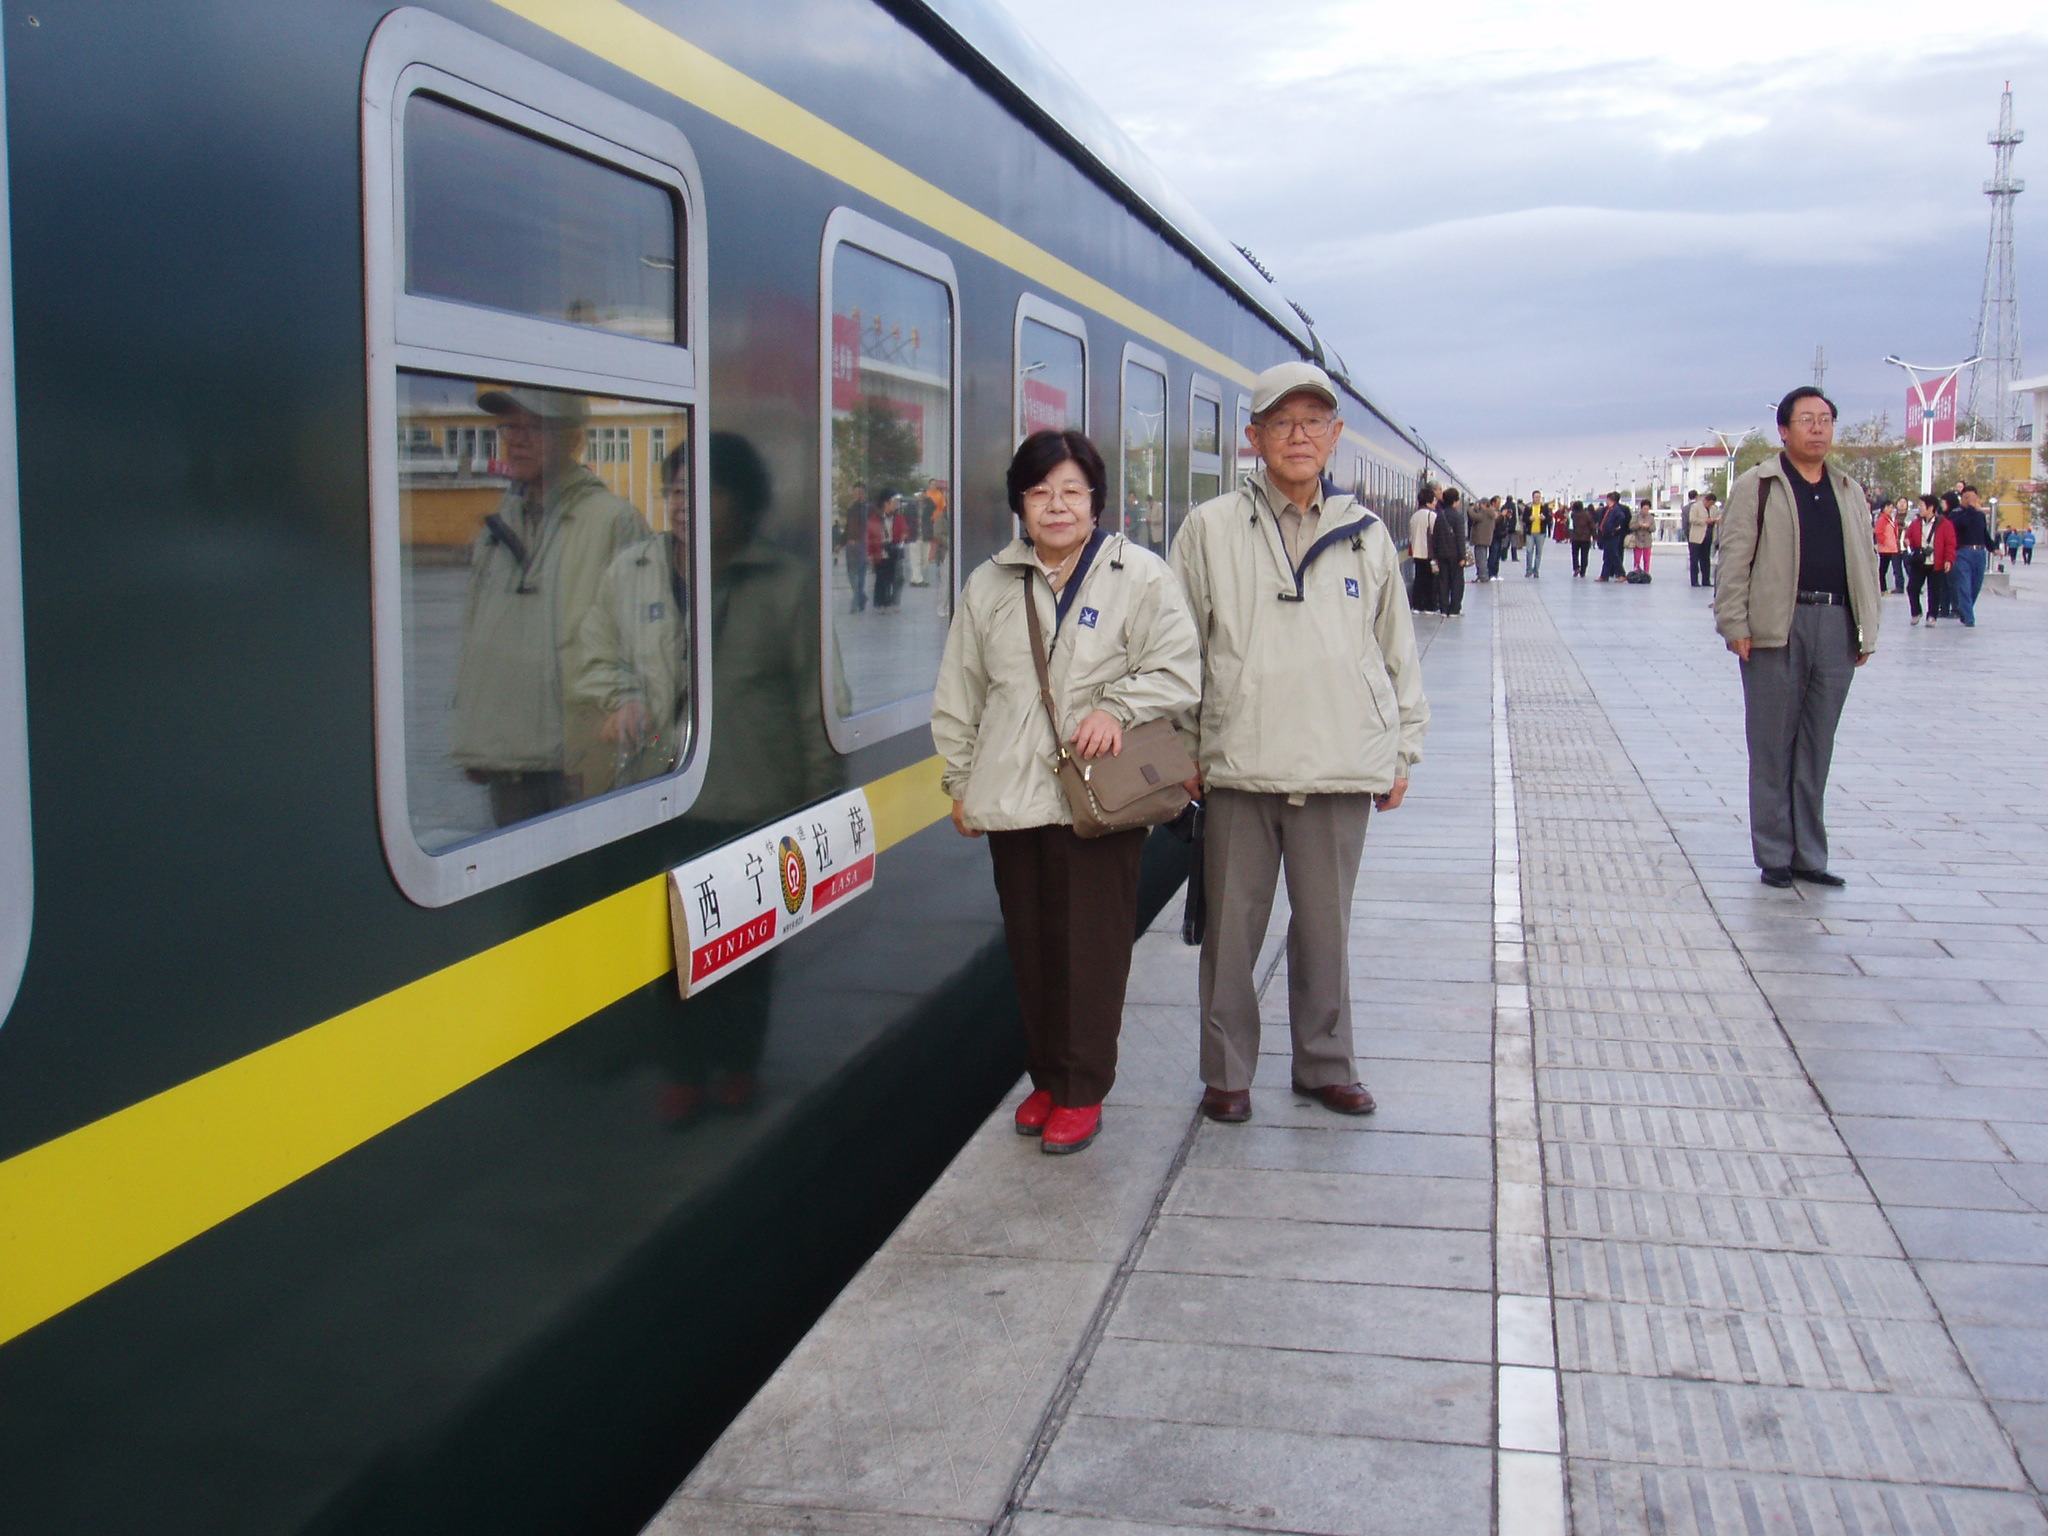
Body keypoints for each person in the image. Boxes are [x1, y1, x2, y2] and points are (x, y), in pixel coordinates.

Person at [1170, 361, 1428, 1124]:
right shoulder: (1209, 530)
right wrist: (1184, 744)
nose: (1299, 436)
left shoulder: (1367, 536)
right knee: (1231, 934)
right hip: (1238, 766)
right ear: (1253, 438)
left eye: (1315, 422)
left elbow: (1396, 650)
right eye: (1282, 423)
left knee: (1326, 930)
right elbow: (1178, 646)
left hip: (1340, 762)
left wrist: (1402, 748)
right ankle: (1226, 1073)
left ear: (1336, 437)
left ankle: (1324, 1064)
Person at [934, 429, 1200, 1155]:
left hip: (1099, 801)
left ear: (1095, 501)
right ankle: (1047, 1077)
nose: (1057, 506)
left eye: (1071, 492)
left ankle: (1083, 1089)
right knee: (1033, 946)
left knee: (1091, 948)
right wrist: (959, 781)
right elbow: (960, 693)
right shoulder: (989, 584)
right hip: (1013, 797)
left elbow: (1179, 671)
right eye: (1041, 491)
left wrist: (1116, 708)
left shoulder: (1138, 576)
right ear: (1021, 502)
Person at [451, 386, 649, 827]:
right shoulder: (498, 527)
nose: (515, 440)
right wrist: (475, 736)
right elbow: (478, 638)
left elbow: (647, 644)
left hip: (578, 765)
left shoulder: (613, 521)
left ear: (574, 439)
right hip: (509, 764)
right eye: (508, 428)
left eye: (532, 428)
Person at [1714, 385, 1880, 888]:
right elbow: (1735, 558)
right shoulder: (1758, 484)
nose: (1817, 429)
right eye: (1806, 420)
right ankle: (1775, 855)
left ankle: (1810, 854)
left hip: (1835, 625)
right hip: (1775, 628)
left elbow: (1867, 561)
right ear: (1783, 431)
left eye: (1825, 420)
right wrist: (1734, 624)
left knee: (1816, 745)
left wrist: (1866, 628)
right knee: (1771, 745)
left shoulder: (1848, 489)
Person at [1948, 484, 1995, 627]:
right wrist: (1969, 510)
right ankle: (1969, 618)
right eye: (1967, 497)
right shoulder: (1956, 514)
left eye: (1973, 497)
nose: (1970, 500)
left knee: (1976, 585)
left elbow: (1984, 534)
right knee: (1964, 585)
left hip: (1979, 553)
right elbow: (1958, 526)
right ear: (1962, 498)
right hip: (1962, 552)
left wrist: (1993, 547)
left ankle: (1965, 609)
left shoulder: (1980, 515)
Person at [1431, 486, 1468, 616]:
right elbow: (1460, 538)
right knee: (1457, 581)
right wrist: (1463, 556)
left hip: (1441, 554)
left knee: (1443, 581)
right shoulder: (1458, 517)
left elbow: (1434, 536)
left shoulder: (1440, 516)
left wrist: (1435, 554)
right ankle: (1454, 609)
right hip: (1455, 555)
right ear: (1455, 501)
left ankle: (1444, 608)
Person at [1903, 495, 1936, 624]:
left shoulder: (1942, 524)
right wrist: (1908, 541)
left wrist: (1948, 560)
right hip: (1919, 560)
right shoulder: (1916, 523)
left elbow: (1949, 542)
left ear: (1931, 508)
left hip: (1935, 561)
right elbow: (1909, 536)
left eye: (1922, 505)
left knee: (1933, 590)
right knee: (1912, 587)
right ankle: (1916, 612)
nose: (1919, 508)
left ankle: (1932, 615)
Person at [840, 482, 870, 613]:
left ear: (865, 494)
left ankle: (854, 604)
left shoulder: (868, 509)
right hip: (850, 545)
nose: (858, 496)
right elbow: (848, 527)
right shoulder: (851, 509)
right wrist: (840, 542)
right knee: (852, 575)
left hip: (863, 545)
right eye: (856, 493)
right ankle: (861, 597)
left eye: (860, 493)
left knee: (861, 576)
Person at [1928, 498, 1957, 624]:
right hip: (1938, 557)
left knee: (1950, 584)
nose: (1943, 505)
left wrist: (1949, 558)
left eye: (1945, 502)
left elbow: (1950, 540)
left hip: (1948, 554)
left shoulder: (1950, 519)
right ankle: (1943, 608)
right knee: (1941, 585)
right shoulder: (1942, 517)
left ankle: (1954, 608)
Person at [1408, 487, 1437, 611]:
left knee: (1419, 579)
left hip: (1416, 552)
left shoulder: (1414, 516)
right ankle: (1429, 605)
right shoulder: (1431, 515)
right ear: (1429, 501)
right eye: (1434, 501)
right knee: (1429, 581)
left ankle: (1417, 604)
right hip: (1427, 553)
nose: (1435, 503)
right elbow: (1434, 534)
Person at [1596, 491, 1629, 581]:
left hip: (1612, 536)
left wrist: (1615, 527)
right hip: (1606, 535)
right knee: (1607, 556)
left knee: (1614, 556)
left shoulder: (1616, 509)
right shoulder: (1608, 509)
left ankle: (1621, 574)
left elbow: (1622, 517)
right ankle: (1604, 575)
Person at [1687, 492, 1718, 587]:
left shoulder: (1714, 509)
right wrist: (1705, 521)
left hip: (1708, 536)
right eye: (1710, 503)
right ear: (1706, 500)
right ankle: (1694, 581)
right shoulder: (1696, 507)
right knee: (1694, 559)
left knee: (1706, 559)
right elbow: (1692, 519)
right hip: (1696, 537)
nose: (1710, 505)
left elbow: (1715, 519)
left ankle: (1706, 580)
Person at [1873, 500, 1903, 593]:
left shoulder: (1890, 518)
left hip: (1892, 548)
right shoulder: (1882, 519)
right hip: (1886, 549)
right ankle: (1882, 588)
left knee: (1890, 568)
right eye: (1888, 507)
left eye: (1891, 507)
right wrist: (1884, 542)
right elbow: (1879, 533)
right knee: (1883, 569)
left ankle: (1885, 588)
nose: (1891, 509)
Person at [1467, 496, 1498, 582]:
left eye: (1480, 504)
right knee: (1482, 557)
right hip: (1485, 539)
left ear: (1484, 504)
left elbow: (1474, 516)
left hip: (1480, 539)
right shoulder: (1490, 513)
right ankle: (1482, 575)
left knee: (1481, 558)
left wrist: (1469, 508)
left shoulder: (1485, 512)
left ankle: (1483, 576)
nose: (1479, 506)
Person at [1627, 498, 1654, 576]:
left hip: (1647, 541)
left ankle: (1646, 573)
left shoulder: (1651, 518)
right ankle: (1636, 572)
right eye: (1644, 508)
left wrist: (1648, 527)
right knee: (1637, 559)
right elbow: (1631, 526)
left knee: (1647, 559)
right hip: (1638, 540)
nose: (1646, 510)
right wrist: (1639, 525)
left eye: (1647, 509)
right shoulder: (1636, 517)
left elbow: (1653, 528)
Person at [1570, 499, 1596, 577]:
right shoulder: (1587, 515)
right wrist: (1594, 536)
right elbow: (1592, 526)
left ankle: (1576, 568)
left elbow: (1570, 526)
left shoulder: (1573, 515)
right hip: (1586, 538)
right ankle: (1583, 571)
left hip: (1575, 538)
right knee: (1584, 555)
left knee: (1575, 554)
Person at [1524, 499, 1546, 577]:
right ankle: (1529, 570)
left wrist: (1544, 518)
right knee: (1529, 551)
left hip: (1540, 533)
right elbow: (1524, 519)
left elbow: (1549, 520)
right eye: (1536, 497)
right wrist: (1529, 519)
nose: (1537, 499)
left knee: (1538, 552)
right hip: (1530, 533)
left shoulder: (1544, 507)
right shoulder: (1528, 507)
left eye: (1539, 497)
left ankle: (1536, 570)